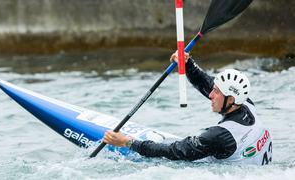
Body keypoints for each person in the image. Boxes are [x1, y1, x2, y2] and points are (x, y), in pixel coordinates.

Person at [103, 52, 273, 165]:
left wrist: (127, 142)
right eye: (213, 90)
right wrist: (187, 63)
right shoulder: (246, 104)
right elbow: (207, 84)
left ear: (231, 99)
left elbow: (174, 151)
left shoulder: (220, 136)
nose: (211, 95)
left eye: (217, 92)